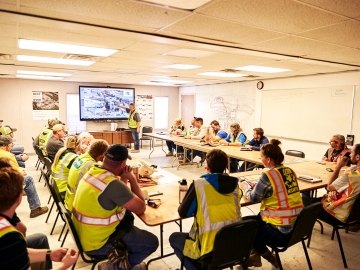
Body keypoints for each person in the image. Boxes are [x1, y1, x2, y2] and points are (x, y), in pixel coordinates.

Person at [72, 144, 158, 269]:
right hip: (98, 244)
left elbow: (119, 195)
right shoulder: (112, 184)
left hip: (85, 236)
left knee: (129, 221)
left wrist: (123, 178)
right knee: (151, 242)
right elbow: (141, 207)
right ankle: (117, 266)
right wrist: (132, 178)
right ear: (123, 164)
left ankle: (120, 260)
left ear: (104, 158)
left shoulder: (93, 171)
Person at [169, 149, 242, 270]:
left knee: (174, 238)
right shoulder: (235, 185)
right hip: (233, 245)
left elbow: (183, 212)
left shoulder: (200, 184)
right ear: (225, 166)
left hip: (209, 249)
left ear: (207, 166)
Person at [0, 158, 78, 270]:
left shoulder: (9, 236)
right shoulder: (10, 237)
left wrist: (48, 255)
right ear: (19, 198)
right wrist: (64, 265)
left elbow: (14, 252)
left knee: (40, 239)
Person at [240, 139, 304, 268]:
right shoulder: (289, 171)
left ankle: (269, 258)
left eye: (262, 157)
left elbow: (253, 198)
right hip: (296, 225)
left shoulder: (267, 175)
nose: (260, 159)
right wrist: (258, 186)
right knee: (251, 219)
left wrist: (245, 187)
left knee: (245, 228)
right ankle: (255, 257)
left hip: (281, 232)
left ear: (268, 159)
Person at [306, 144, 360, 229]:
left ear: (357, 157)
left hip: (337, 215)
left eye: (352, 152)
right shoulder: (354, 172)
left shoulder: (352, 174)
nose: (349, 154)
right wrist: (335, 189)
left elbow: (329, 187)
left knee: (306, 202)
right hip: (352, 216)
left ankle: (302, 232)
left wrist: (338, 167)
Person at [0, 135, 48, 218]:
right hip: (4, 183)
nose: (11, 148)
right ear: (5, 145)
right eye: (11, 146)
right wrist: (22, 172)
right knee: (28, 179)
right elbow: (16, 175)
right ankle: (35, 208)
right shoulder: (8, 155)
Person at [65, 139, 109, 211]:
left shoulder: (81, 157)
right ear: (103, 154)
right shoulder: (92, 167)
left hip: (69, 200)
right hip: (77, 207)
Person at [51, 135, 80, 200]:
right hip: (63, 190)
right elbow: (80, 174)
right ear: (76, 145)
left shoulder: (63, 151)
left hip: (56, 187)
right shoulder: (73, 157)